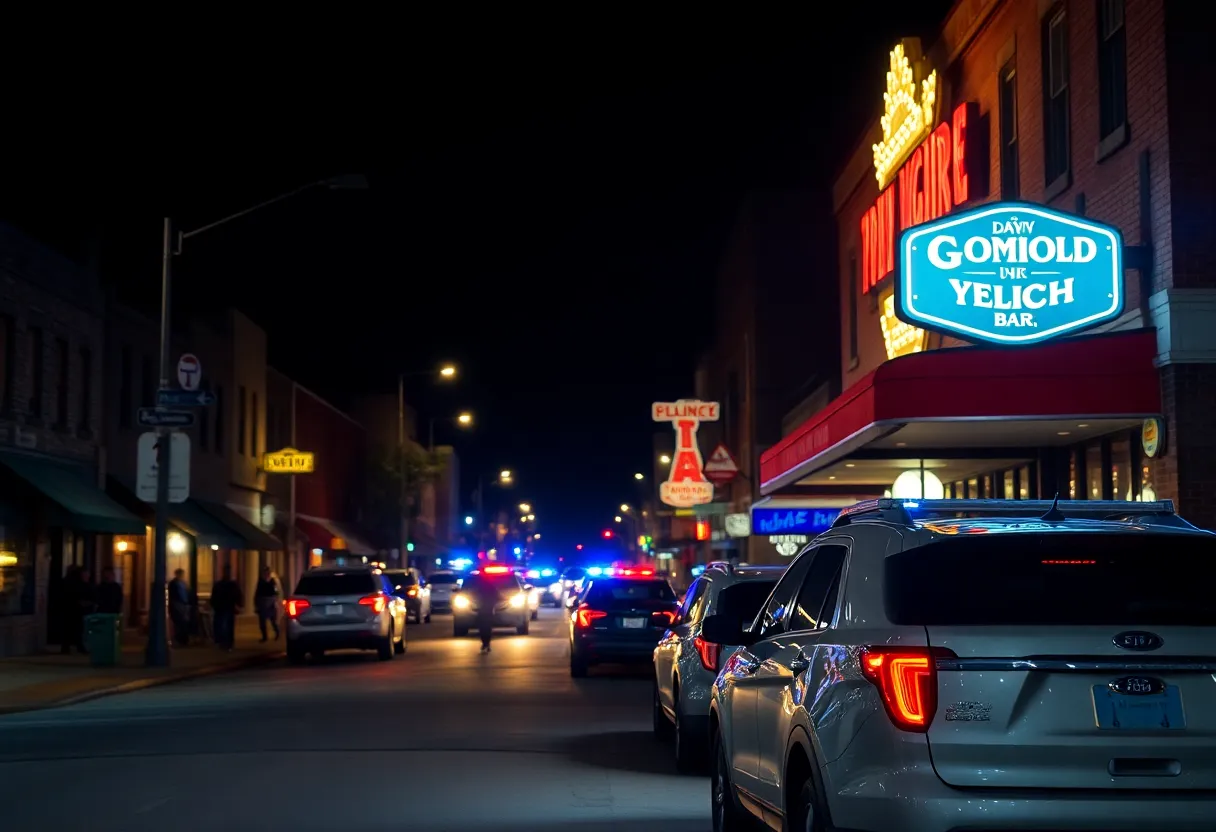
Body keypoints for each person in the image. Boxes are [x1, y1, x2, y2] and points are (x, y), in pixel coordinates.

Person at [210, 566, 242, 650]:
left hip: (222, 608)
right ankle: (227, 643)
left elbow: (214, 596)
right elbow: (238, 595)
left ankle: (223, 642)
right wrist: (239, 605)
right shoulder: (232, 585)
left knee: (222, 626)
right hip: (227, 607)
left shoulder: (220, 585)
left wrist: (214, 605)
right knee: (227, 626)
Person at [59, 566, 87, 654]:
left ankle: (66, 648)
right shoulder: (77, 583)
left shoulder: (65, 581)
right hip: (75, 609)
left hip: (66, 609)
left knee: (67, 629)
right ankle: (78, 647)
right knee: (77, 629)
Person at [472, 575, 503, 654]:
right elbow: (499, 597)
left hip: (483, 611)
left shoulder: (480, 588)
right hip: (488, 611)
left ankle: (485, 644)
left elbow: (474, 597)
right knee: (487, 628)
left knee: (483, 628)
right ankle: (486, 644)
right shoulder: (491, 588)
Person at [253, 566, 280, 641]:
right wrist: (256, 602)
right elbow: (257, 592)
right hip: (262, 601)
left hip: (271, 601)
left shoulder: (272, 581)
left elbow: (276, 591)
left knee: (273, 620)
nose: (266, 574)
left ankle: (277, 632)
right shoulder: (261, 581)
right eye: (265, 572)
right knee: (262, 621)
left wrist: (275, 599)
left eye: (267, 572)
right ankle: (264, 636)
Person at [168, 569, 192, 647]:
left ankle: (182, 639)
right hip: (178, 605)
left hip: (181, 605)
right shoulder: (177, 584)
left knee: (182, 623)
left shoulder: (181, 583)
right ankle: (181, 639)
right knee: (180, 623)